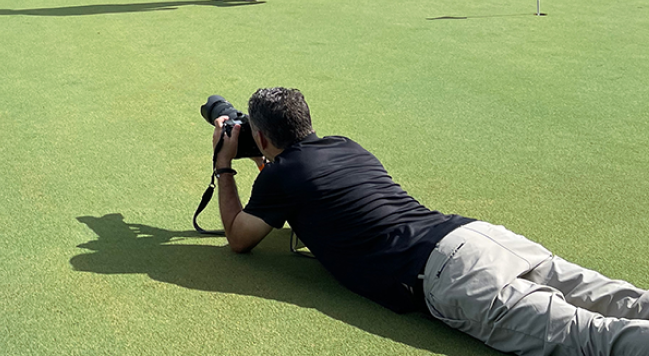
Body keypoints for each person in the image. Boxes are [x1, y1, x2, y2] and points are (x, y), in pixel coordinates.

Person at [211, 87, 649, 356]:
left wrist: (225, 164)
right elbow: (297, 186)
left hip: (453, 278)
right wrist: (262, 154)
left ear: (263, 137)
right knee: (619, 298)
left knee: (595, 338)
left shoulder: (283, 177)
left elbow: (239, 238)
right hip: (480, 237)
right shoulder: (344, 145)